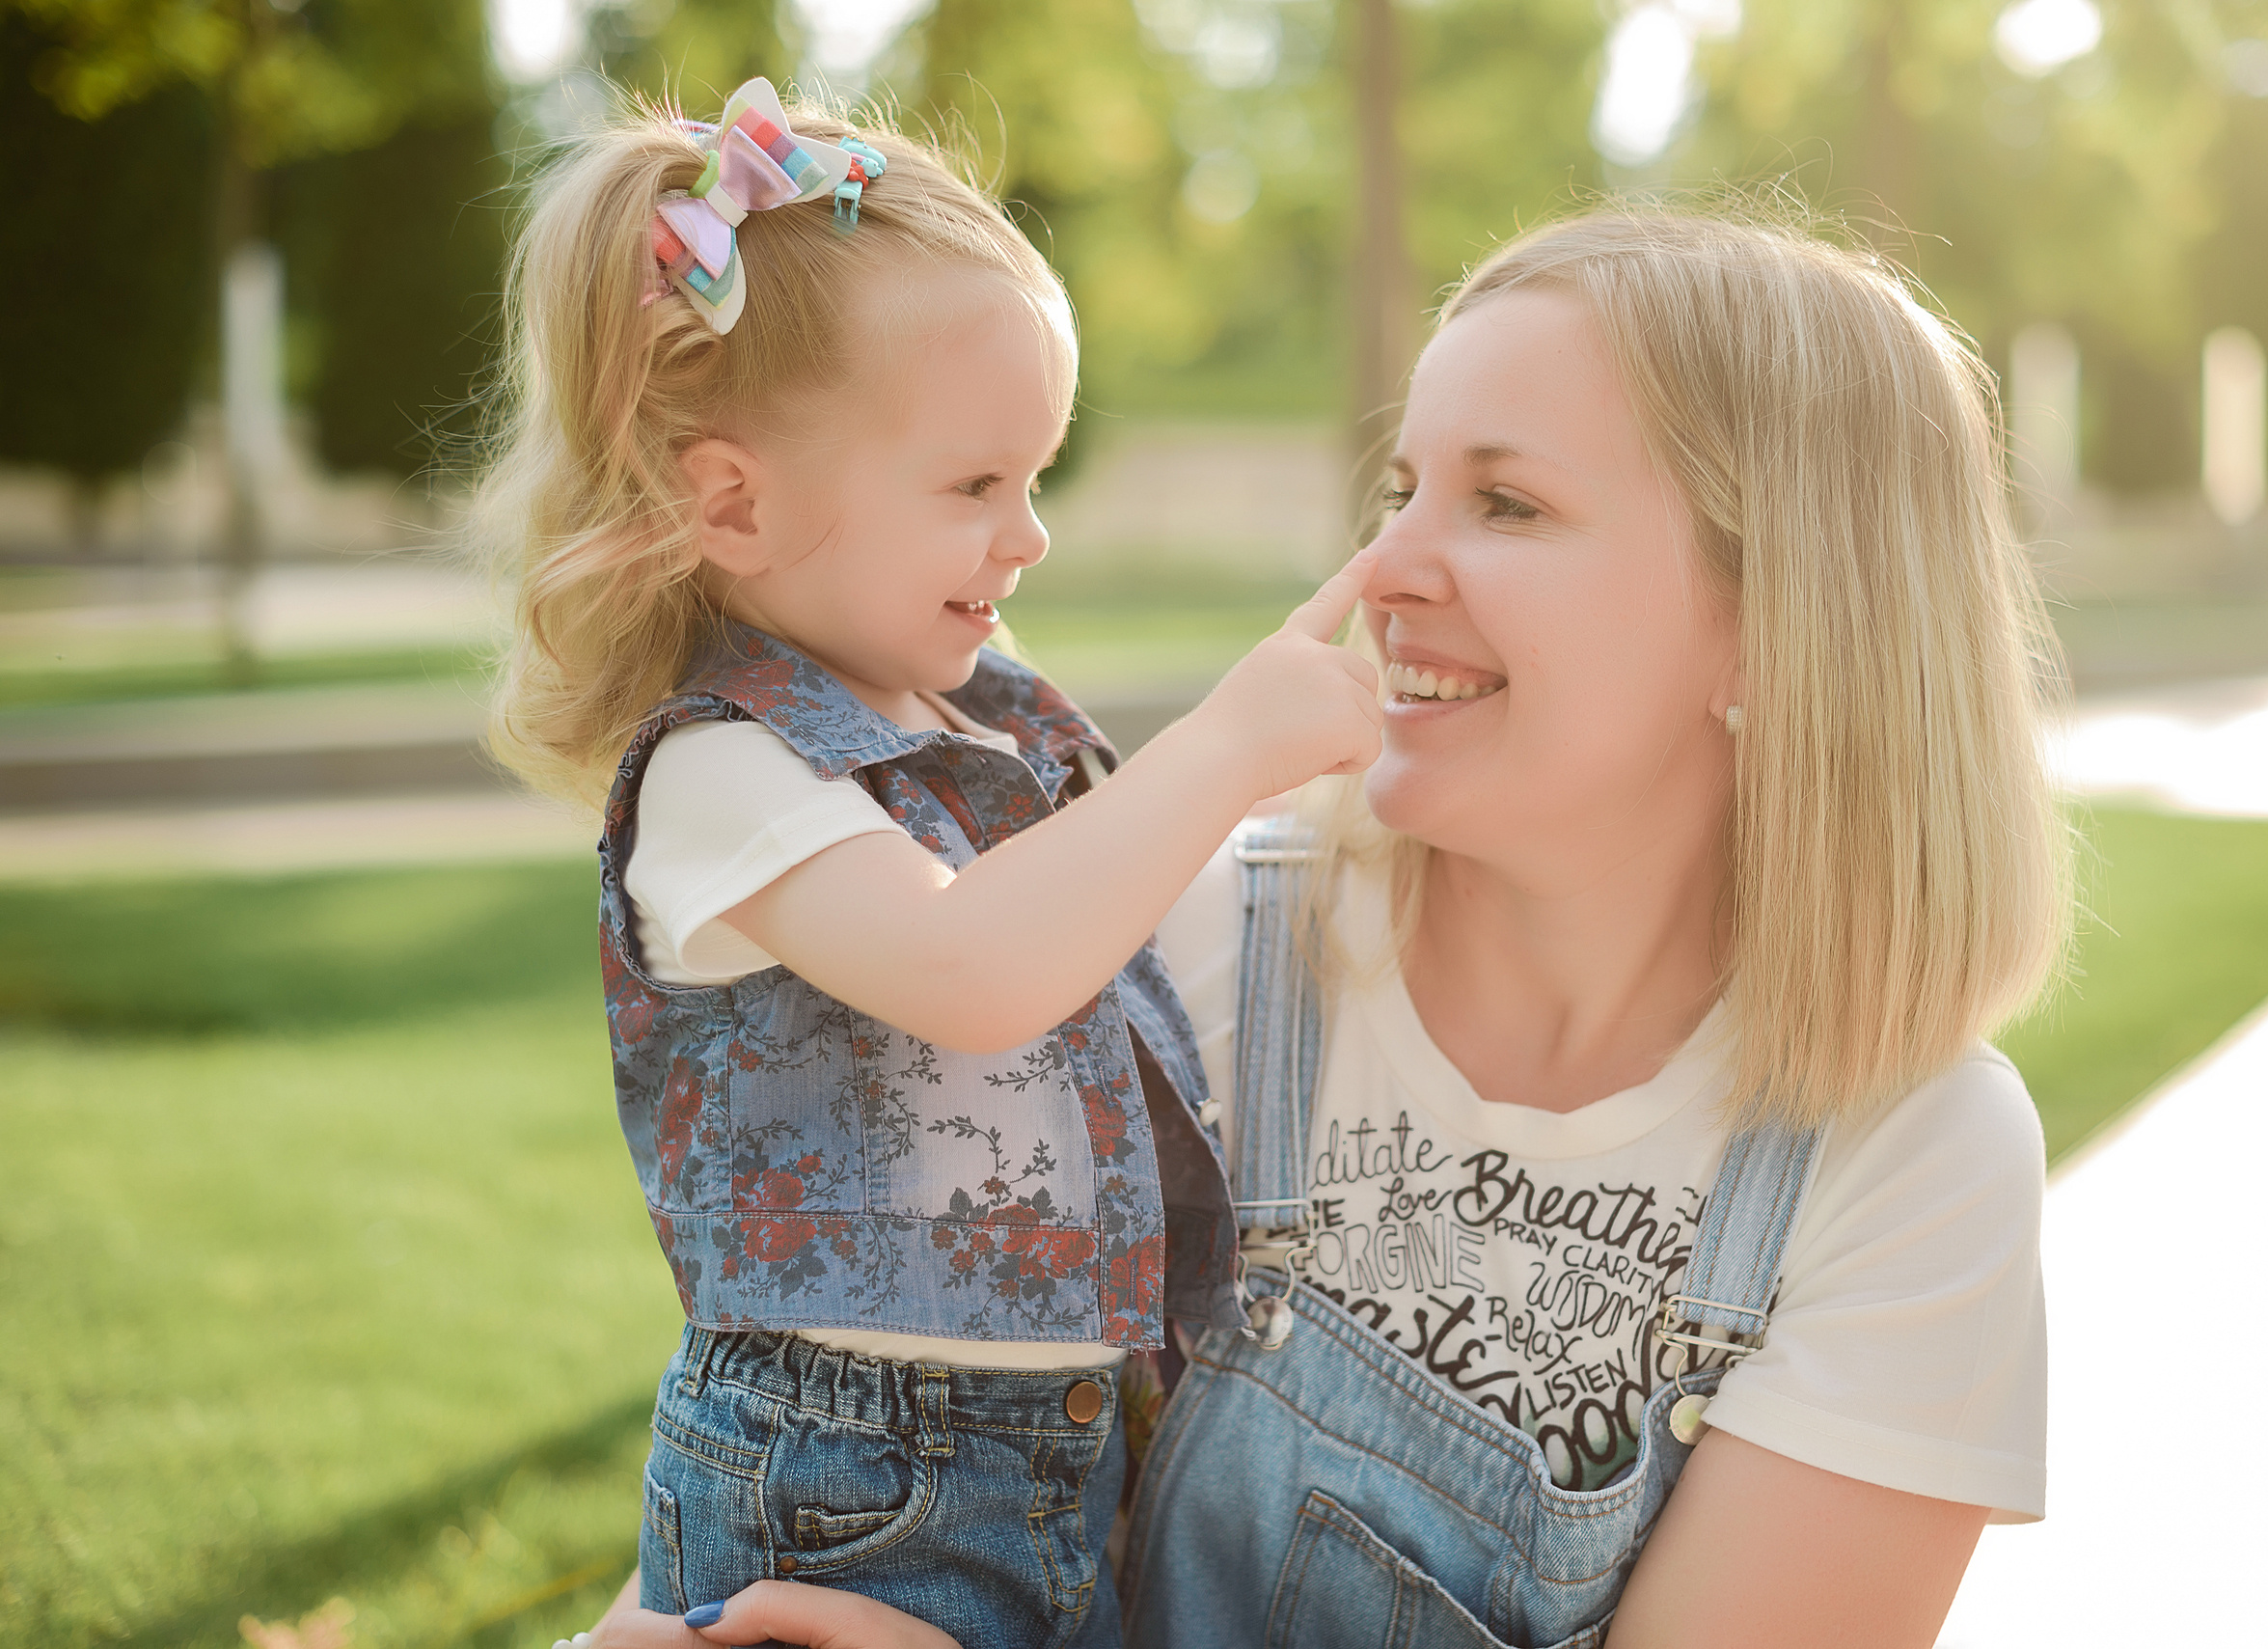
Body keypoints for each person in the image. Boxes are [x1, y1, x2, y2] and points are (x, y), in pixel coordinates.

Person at [592, 200, 2063, 1647]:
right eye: (1400, 489)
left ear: (1773, 620)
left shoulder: (1909, 1165)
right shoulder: (1177, 947)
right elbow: (814, 1427)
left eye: (1506, 502)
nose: (1385, 570)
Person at [477, 78, 1380, 1649]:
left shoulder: (983, 719)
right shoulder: (720, 769)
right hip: (844, 1486)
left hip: (1057, 1460)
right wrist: (1229, 740)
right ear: (734, 504)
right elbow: (974, 969)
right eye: (974, 485)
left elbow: (1116, 924)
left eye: (1036, 477)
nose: (1028, 534)